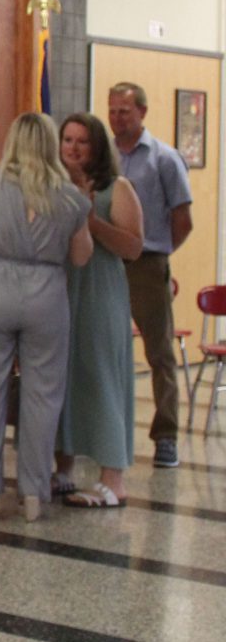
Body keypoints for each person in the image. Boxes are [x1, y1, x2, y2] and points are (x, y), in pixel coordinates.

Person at [0, 113, 92, 522]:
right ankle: (33, 493)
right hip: (47, 295)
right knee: (43, 396)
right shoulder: (69, 195)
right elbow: (81, 257)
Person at [54, 113, 144, 508]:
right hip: (61, 291)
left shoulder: (116, 188)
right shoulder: (54, 185)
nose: (72, 148)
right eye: (67, 140)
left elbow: (133, 247)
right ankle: (63, 468)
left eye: (82, 141)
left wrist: (92, 223)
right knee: (62, 378)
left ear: (97, 148)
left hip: (101, 291)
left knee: (102, 377)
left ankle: (113, 478)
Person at [108, 81, 194, 468]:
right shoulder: (104, 156)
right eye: (111, 111)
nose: (116, 118)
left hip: (147, 264)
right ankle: (106, 430)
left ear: (142, 112)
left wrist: (158, 255)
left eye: (123, 111)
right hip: (108, 264)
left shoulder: (164, 159)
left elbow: (183, 220)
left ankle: (166, 436)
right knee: (104, 349)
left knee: (159, 353)